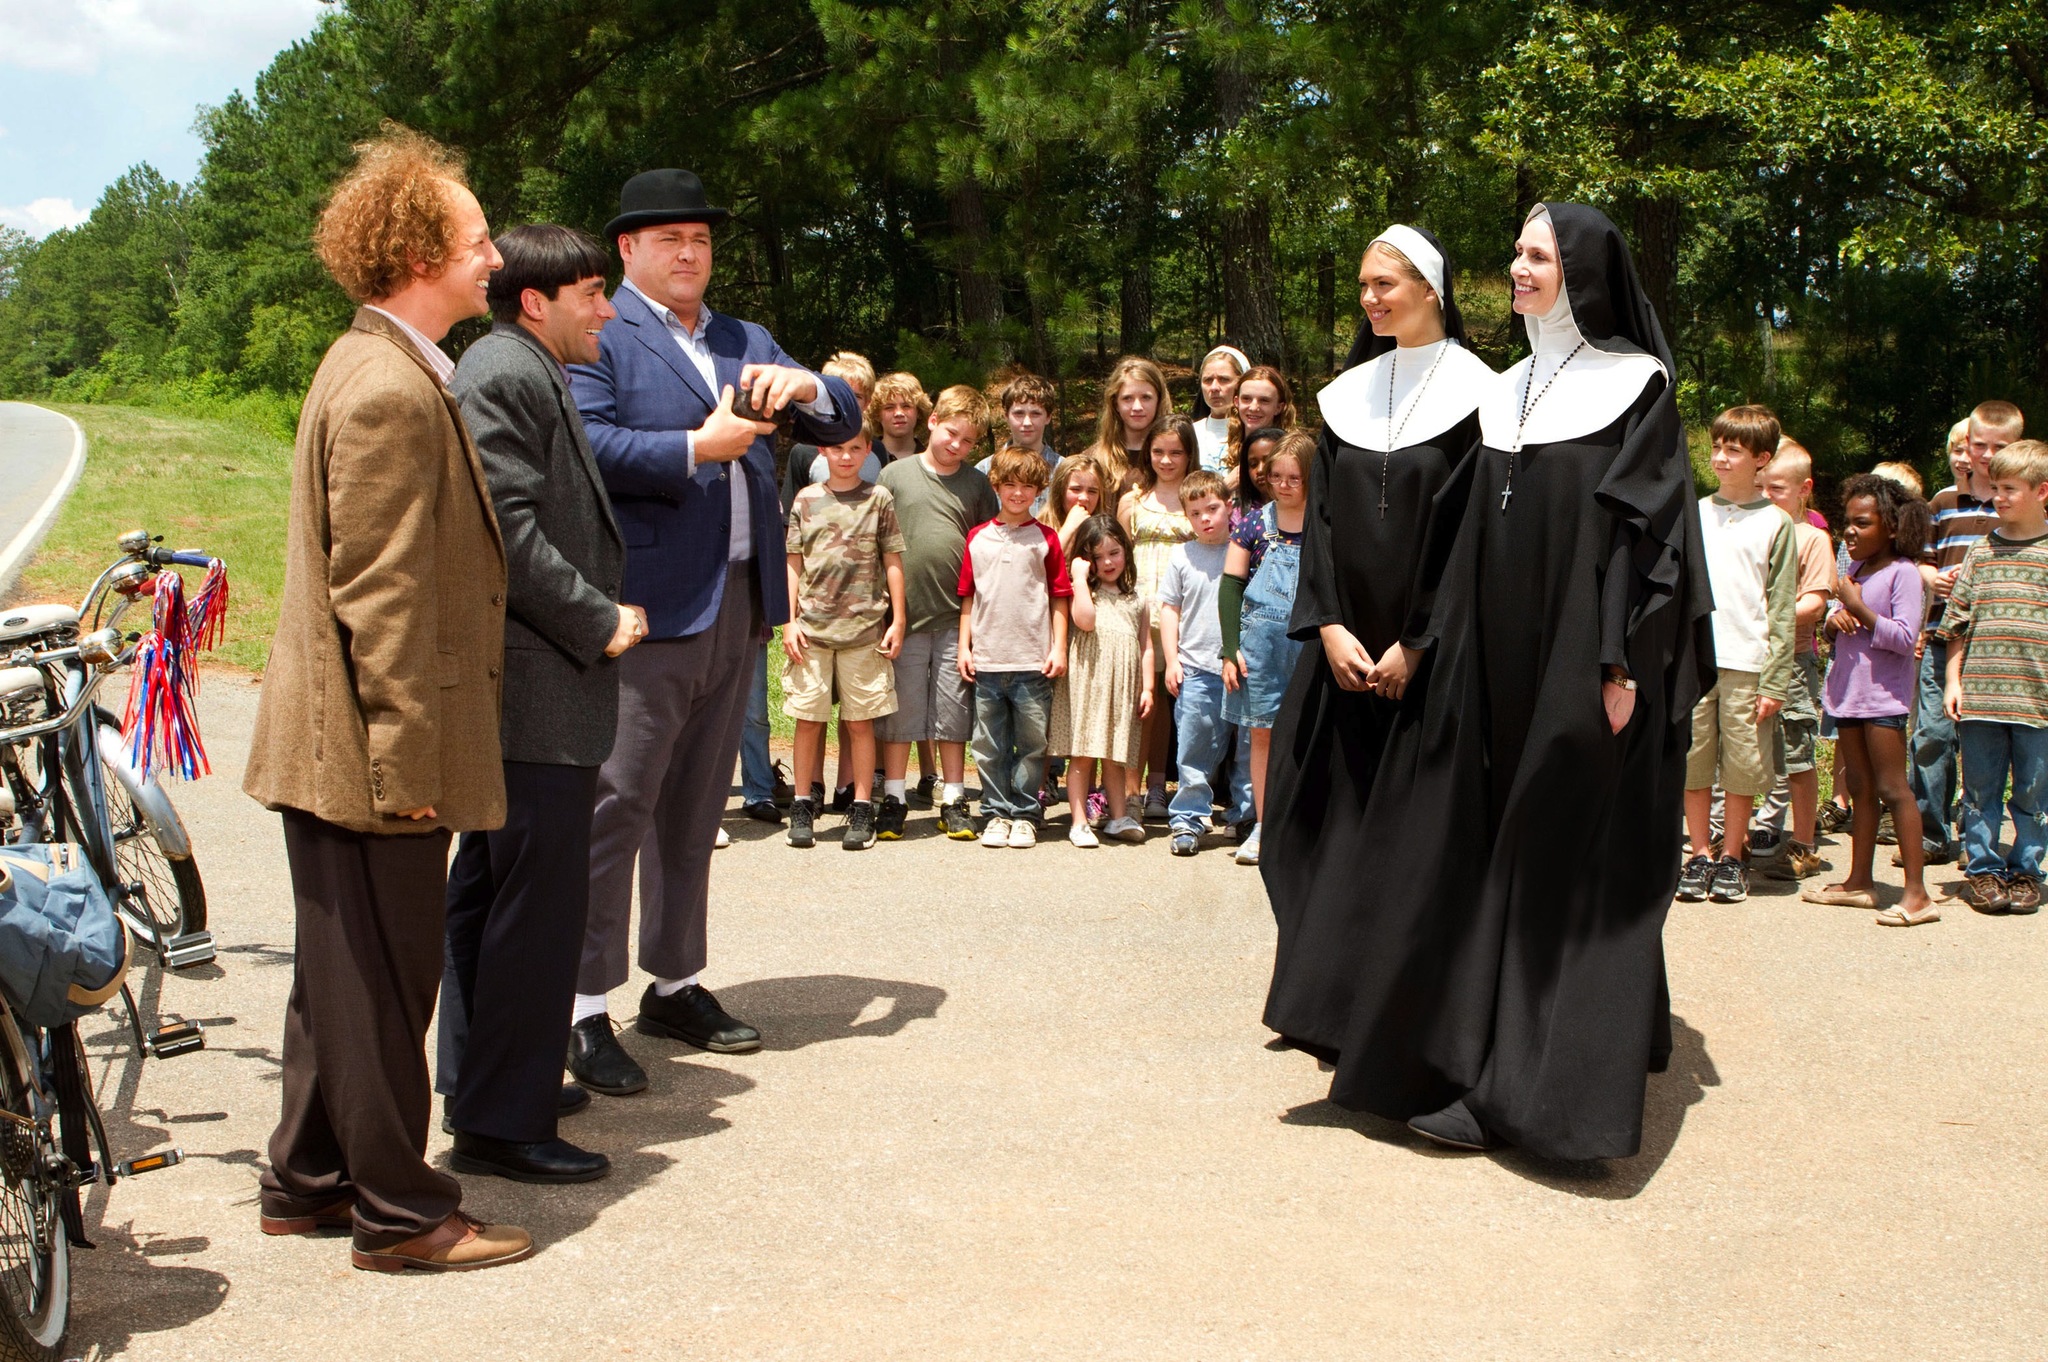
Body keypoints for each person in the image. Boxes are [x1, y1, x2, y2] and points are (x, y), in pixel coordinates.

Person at [1278, 204, 1713, 1160]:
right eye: (1514, 250)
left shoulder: (1636, 386)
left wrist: (1621, 662)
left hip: (1576, 656)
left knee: (1566, 860)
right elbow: (1465, 536)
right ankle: (1473, 1060)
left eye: (1537, 255)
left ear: (1586, 273)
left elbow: (1651, 543)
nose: (1516, 268)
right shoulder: (1505, 387)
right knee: (1482, 853)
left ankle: (1549, 1105)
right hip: (1486, 658)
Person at [244, 128, 531, 1271]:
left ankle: (305, 1180)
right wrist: (409, 771)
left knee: (339, 977)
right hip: (369, 757)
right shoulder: (388, 392)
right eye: (475, 239)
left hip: (345, 748)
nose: (494, 255)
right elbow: (383, 604)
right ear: (418, 251)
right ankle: (402, 1215)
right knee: (377, 987)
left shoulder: (384, 366)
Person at [566, 168, 862, 1095]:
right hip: (644, 608)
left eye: (699, 239)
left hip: (737, 600)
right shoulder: (598, 333)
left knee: (698, 807)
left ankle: (675, 982)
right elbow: (585, 444)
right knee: (617, 808)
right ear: (628, 251)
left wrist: (810, 382)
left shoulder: (746, 338)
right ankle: (579, 1006)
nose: (689, 254)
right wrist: (698, 447)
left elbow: (839, 419)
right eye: (667, 241)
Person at [1260, 224, 1493, 1070]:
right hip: (1343, 656)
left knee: (1403, 840)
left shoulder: (1482, 395)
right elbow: (1316, 527)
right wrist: (1327, 627)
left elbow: (1473, 540)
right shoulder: (1346, 396)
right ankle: (1321, 1000)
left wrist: (1419, 644)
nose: (1370, 299)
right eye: (1362, 285)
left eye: (1385, 284)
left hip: (1427, 664)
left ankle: (1388, 1013)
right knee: (1311, 819)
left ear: (1431, 290)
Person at [434, 225, 635, 1189]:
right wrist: (597, 619)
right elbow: (504, 530)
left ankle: (487, 1082)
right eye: (593, 292)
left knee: (492, 889)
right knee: (533, 905)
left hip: (535, 691)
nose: (607, 308)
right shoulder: (507, 372)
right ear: (535, 302)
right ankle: (502, 1122)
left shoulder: (518, 364)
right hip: (536, 690)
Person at [1675, 405, 1797, 906]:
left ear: (1762, 459)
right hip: (1697, 660)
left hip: (1748, 662)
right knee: (1694, 759)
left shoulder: (1777, 523)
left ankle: (1732, 857)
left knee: (1743, 766)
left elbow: (1783, 607)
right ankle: (1699, 853)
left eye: (1733, 450)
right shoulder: (1695, 512)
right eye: (1717, 447)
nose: (1720, 459)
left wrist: (1775, 681)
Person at [1802, 475, 1936, 923]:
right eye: (1847, 523)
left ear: (1893, 528)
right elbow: (1843, 629)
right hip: (1849, 698)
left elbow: (1903, 637)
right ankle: (1860, 882)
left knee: (1892, 789)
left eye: (1863, 523)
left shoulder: (1904, 574)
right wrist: (1832, 622)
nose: (1850, 532)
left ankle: (1917, 895)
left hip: (1883, 701)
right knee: (1859, 788)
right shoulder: (1856, 573)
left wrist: (1855, 608)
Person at [877, 385, 1002, 839]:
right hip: (904, 620)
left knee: (953, 713)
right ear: (931, 423)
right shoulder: (896, 477)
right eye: (951, 433)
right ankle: (893, 796)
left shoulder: (976, 484)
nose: (957, 445)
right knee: (901, 712)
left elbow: (987, 546)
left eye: (968, 441)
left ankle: (953, 797)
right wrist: (887, 613)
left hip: (956, 620)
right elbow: (878, 546)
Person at [783, 428, 908, 851]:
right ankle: (802, 804)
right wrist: (789, 620)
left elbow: (892, 560)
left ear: (868, 451)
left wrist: (898, 619)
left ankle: (860, 806)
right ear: (823, 451)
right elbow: (793, 562)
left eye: (856, 448)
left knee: (860, 721)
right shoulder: (805, 499)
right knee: (808, 719)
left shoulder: (879, 499)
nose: (847, 456)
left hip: (864, 631)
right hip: (813, 631)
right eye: (838, 448)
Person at [1911, 401, 2023, 866]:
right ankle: (1931, 833)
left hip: (1999, 645)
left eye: (2001, 447)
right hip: (1942, 636)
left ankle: (1978, 835)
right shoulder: (1942, 503)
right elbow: (1919, 559)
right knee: (1933, 735)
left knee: (1987, 746)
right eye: (1980, 445)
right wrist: (1929, 577)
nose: (1987, 454)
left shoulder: (2017, 505)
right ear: (1966, 445)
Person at [1940, 438, 2048, 915]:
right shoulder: (1982, 551)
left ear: (2042, 491)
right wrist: (1952, 680)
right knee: (1980, 789)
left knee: (2032, 791)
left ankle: (2026, 869)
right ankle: (1983, 870)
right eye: (1996, 487)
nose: (1998, 497)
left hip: (2036, 699)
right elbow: (1957, 622)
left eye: (2009, 488)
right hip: (1981, 696)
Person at [778, 353, 885, 819]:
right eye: (839, 392)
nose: (847, 404)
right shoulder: (805, 453)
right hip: (816, 615)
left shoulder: (873, 463)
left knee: (858, 714)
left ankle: (851, 789)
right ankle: (810, 789)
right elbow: (793, 545)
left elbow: (885, 547)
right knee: (811, 711)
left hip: (860, 616)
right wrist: (789, 616)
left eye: (857, 396)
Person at [957, 446, 1072, 847]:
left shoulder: (1046, 540)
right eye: (1010, 485)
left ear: (1039, 490)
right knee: (989, 745)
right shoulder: (977, 539)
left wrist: (1059, 647)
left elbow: (1060, 597)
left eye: (1027, 486)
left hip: (1033, 662)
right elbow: (968, 597)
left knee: (1032, 743)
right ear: (996, 485)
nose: (1018, 494)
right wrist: (963, 647)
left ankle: (1025, 812)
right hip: (987, 660)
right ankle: (995, 811)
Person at [1219, 429, 1311, 868]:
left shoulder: (1327, 521)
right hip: (1259, 644)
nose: (1284, 485)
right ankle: (1263, 823)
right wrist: (1229, 647)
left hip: (1312, 643)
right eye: (1277, 476)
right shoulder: (1256, 522)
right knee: (1261, 734)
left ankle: (1309, 828)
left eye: (1295, 477)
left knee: (1312, 734)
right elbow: (1232, 586)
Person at [1750, 443, 1837, 879]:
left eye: (1777, 489)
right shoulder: (1754, 528)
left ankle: (1803, 844)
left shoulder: (1813, 538)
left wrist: (1761, 614)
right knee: (1747, 750)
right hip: (1747, 657)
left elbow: (1815, 604)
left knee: (1797, 753)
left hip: (1793, 662)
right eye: (1760, 486)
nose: (1766, 496)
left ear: (1805, 489)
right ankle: (1741, 836)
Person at [1158, 468, 1252, 854]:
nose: (1205, 519)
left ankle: (1246, 817)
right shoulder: (1183, 555)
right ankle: (1188, 819)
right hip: (1196, 668)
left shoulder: (1245, 549)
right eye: (1195, 513)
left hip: (1243, 669)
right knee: (1194, 749)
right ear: (1186, 516)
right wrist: (1171, 660)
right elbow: (1169, 610)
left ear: (1229, 506)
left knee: (1247, 750)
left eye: (1212, 508)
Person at [1050, 515, 1154, 846]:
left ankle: (1118, 815)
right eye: (1096, 556)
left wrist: (1148, 686)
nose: (1107, 562)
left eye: (1114, 552)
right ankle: (1079, 821)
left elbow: (1146, 647)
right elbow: (1086, 621)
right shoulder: (1084, 592)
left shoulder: (1136, 598)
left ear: (1126, 551)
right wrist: (1079, 578)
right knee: (1084, 754)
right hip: (1089, 685)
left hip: (1121, 690)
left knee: (1115, 755)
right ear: (1084, 558)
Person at [1121, 417, 1197, 820]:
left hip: (1184, 613)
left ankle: (1158, 785)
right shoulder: (1134, 500)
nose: (1166, 460)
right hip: (1139, 611)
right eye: (1158, 452)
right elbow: (1114, 556)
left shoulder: (1197, 498)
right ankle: (1130, 789)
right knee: (1140, 700)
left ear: (1189, 455)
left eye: (1176, 452)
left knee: (1169, 699)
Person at [1083, 355, 1170, 495]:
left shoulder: (1174, 460)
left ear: (1158, 401)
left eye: (1146, 397)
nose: (1137, 407)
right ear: (1115, 404)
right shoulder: (1094, 459)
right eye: (1127, 398)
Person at [979, 371, 1061, 511]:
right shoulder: (985, 470)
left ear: (1048, 417)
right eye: (1019, 414)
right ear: (1006, 416)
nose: (1027, 422)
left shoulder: (1063, 471)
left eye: (1035, 414)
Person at [1224, 364, 1297, 477]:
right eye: (1246, 399)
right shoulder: (1224, 449)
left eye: (1264, 400)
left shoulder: (1292, 454)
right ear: (1236, 402)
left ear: (1279, 407)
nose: (1253, 407)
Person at [1193, 344, 1249, 471]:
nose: (1214, 388)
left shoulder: (1252, 431)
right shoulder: (1191, 432)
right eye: (1207, 380)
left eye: (1224, 379)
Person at [1042, 454, 1107, 557]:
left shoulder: (1105, 531)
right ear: (1060, 491)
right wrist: (1069, 528)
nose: (1084, 497)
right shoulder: (1038, 529)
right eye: (1076, 489)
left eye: (1092, 491)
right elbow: (1041, 567)